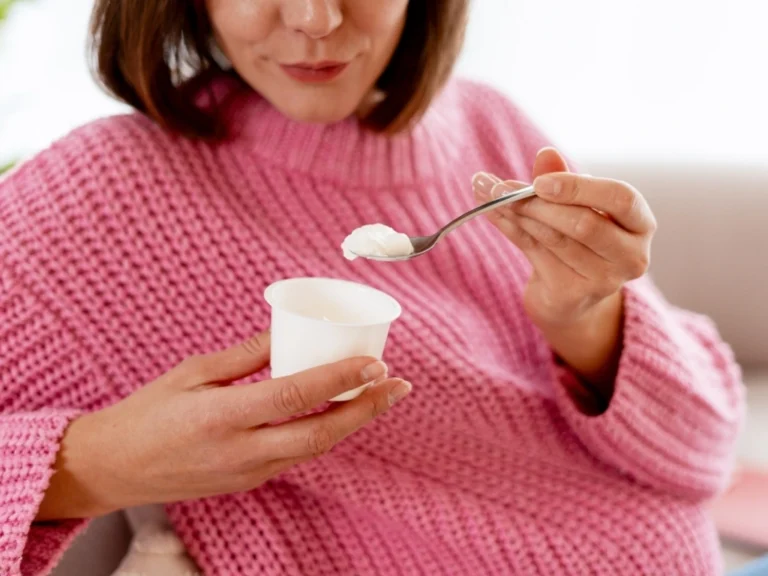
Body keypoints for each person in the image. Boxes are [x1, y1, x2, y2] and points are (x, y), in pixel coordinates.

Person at [0, 1, 746, 575]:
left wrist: (585, 318)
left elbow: (702, 455)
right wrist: (95, 466)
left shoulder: (484, 124)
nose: (317, 20)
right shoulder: (101, 198)